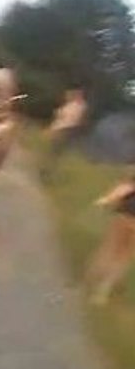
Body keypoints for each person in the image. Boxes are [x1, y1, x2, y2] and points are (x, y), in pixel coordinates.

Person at [85, 169, 135, 305]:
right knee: (122, 258)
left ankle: (92, 277)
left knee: (110, 249)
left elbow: (126, 188)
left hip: (124, 217)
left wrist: (106, 200)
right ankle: (102, 289)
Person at [41, 88, 89, 181]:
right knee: (53, 151)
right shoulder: (71, 105)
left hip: (64, 130)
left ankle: (48, 172)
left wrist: (56, 129)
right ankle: (46, 170)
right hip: (63, 129)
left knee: (55, 152)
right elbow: (61, 118)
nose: (67, 96)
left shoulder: (77, 106)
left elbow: (68, 120)